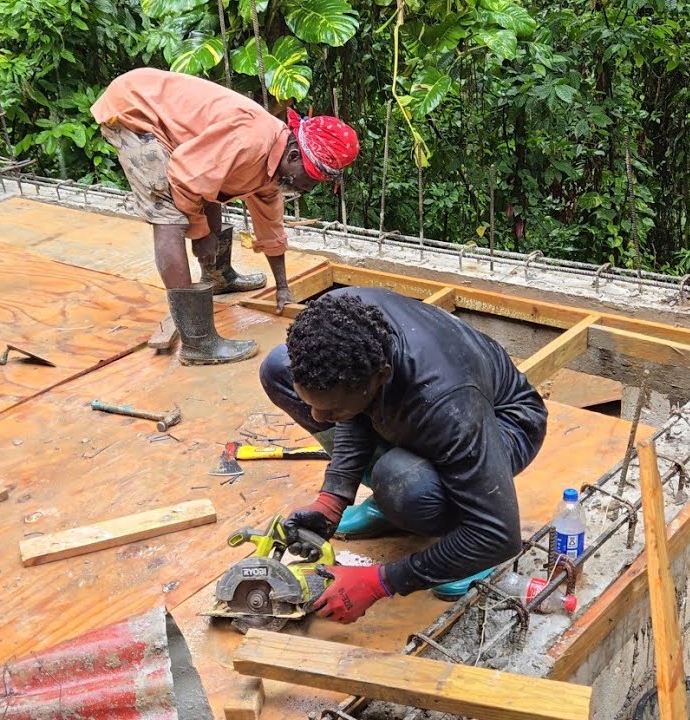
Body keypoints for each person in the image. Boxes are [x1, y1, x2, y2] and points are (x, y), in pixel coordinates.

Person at [258, 288, 549, 623]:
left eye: (331, 409)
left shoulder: (446, 405)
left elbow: (500, 535)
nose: (317, 417)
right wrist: (333, 497)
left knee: (401, 481)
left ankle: (461, 541)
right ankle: (390, 506)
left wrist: (380, 581)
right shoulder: (335, 323)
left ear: (380, 376)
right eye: (310, 403)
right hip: (415, 403)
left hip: (501, 424)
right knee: (277, 368)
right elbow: (357, 408)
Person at [91, 68, 360, 365]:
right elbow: (184, 177)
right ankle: (198, 343)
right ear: (294, 156)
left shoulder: (275, 166)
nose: (308, 187)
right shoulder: (251, 143)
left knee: (210, 183)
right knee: (170, 215)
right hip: (137, 112)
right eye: (311, 177)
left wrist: (283, 288)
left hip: (167, 122)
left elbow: (269, 223)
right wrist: (200, 234)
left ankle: (217, 278)